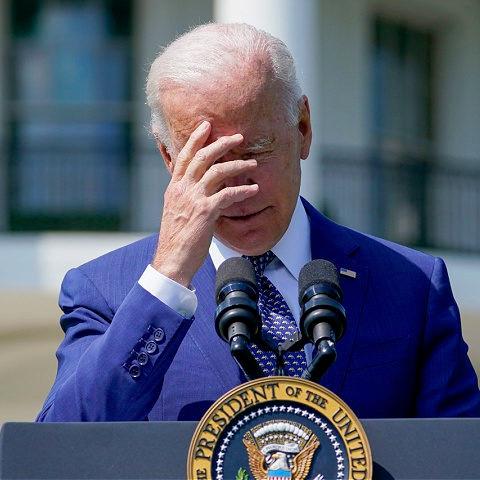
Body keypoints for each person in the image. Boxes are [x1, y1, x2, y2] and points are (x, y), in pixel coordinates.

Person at [37, 23, 480, 422]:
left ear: (303, 129)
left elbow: (460, 457)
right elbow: (60, 449)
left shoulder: (410, 285)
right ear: (169, 158)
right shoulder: (108, 293)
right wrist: (169, 277)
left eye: (256, 151)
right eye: (210, 162)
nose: (238, 187)